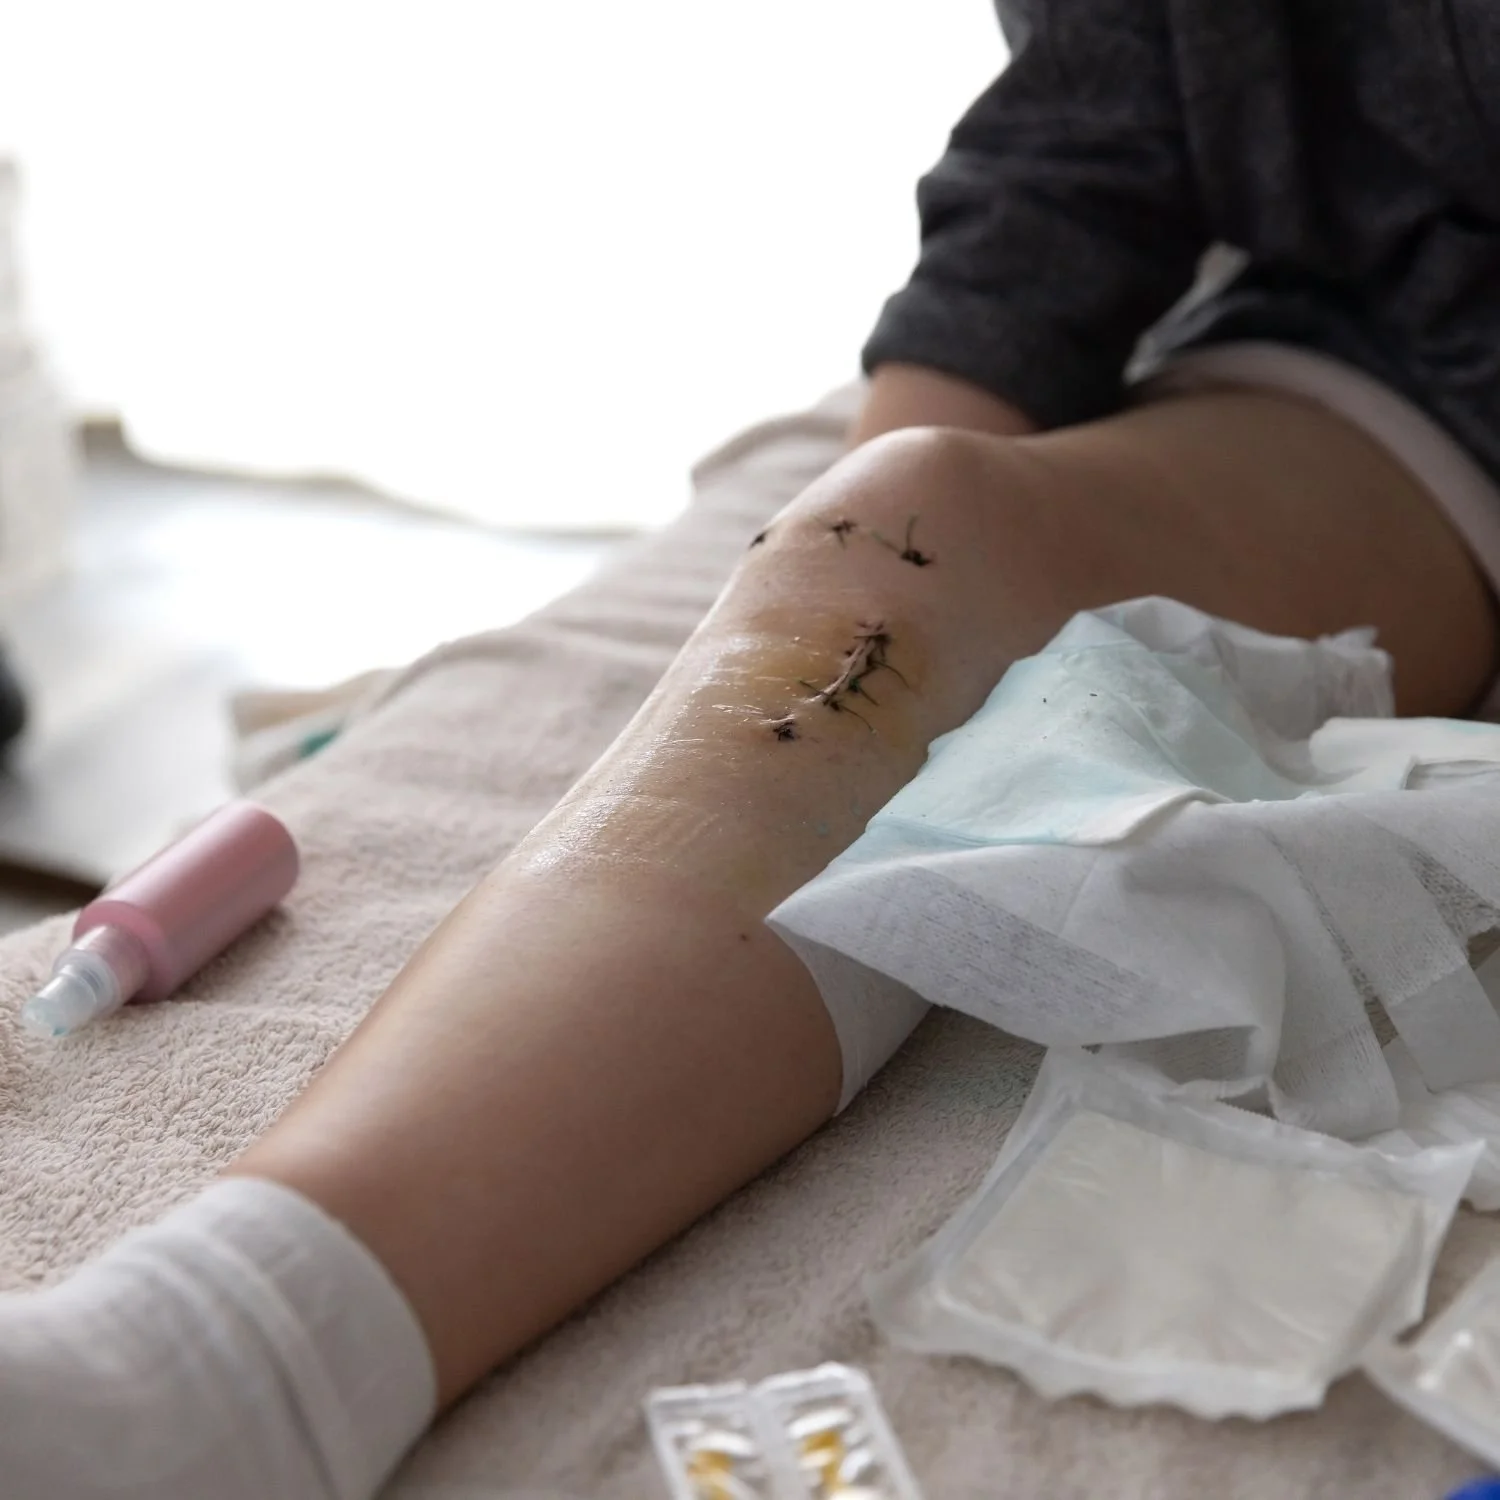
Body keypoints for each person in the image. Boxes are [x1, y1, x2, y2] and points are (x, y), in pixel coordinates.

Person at [6, 2, 1500, 1495]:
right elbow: (1093, 135)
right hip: (1413, 373)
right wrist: (856, 568)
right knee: (903, 526)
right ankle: (223, 1353)